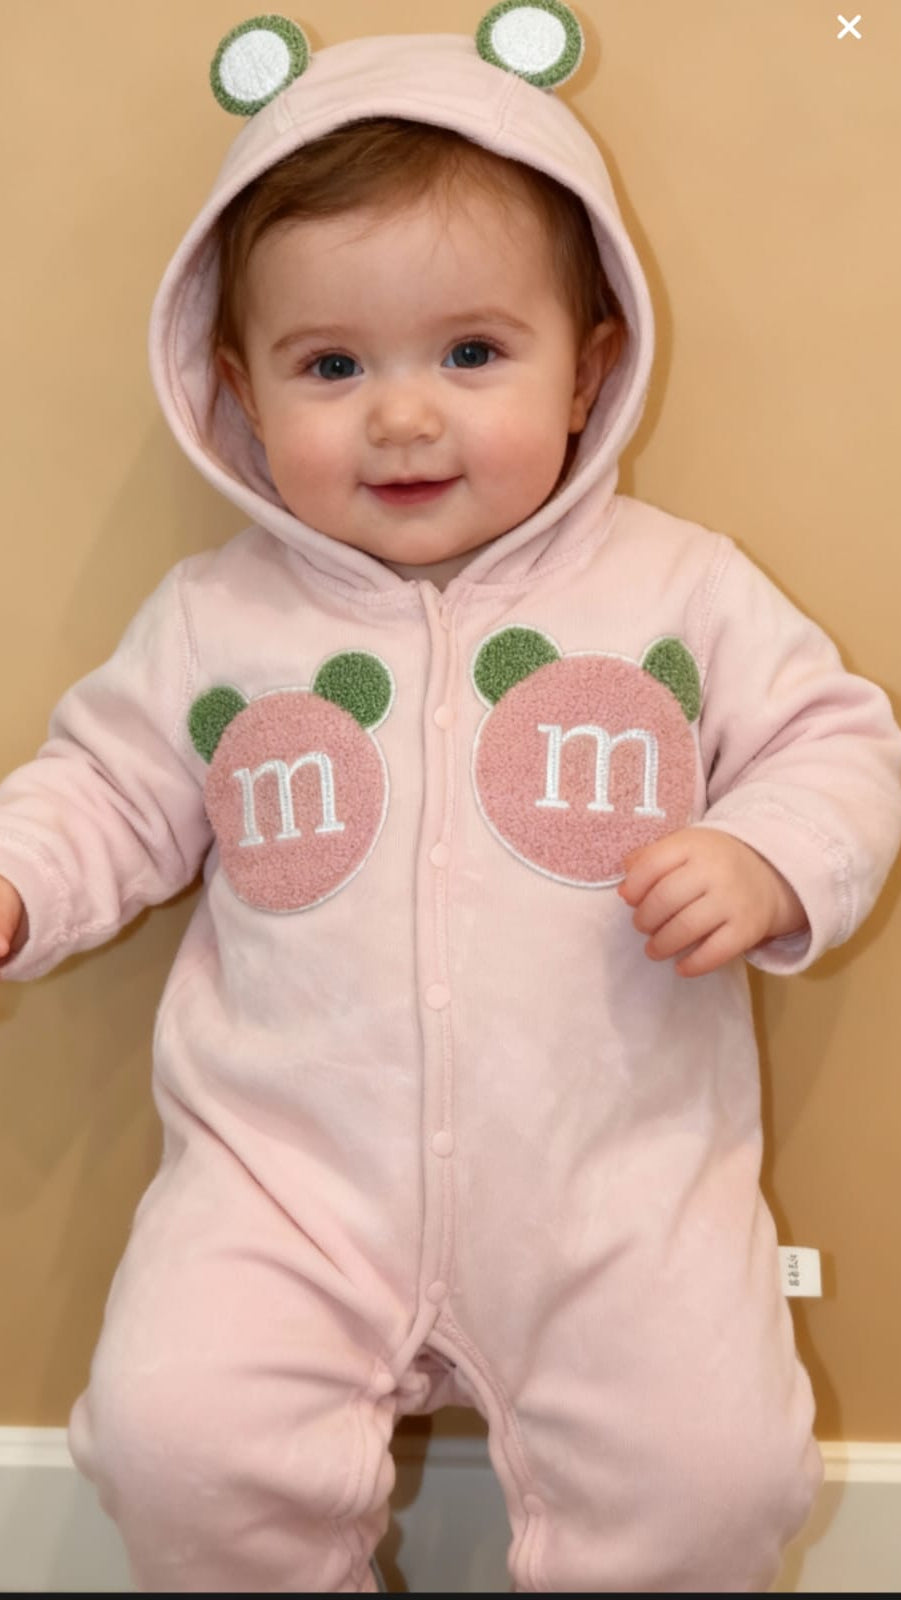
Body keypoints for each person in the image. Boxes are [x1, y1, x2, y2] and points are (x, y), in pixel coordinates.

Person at [1, 7, 899, 1592]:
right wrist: (17, 878)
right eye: (330, 366)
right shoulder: (221, 620)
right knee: (167, 1434)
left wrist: (767, 854)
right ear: (234, 392)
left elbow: (841, 743)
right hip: (283, 1177)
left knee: (721, 1473)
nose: (402, 415)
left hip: (613, 1178)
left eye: (471, 353)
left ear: (588, 368)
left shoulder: (676, 588)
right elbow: (106, 791)